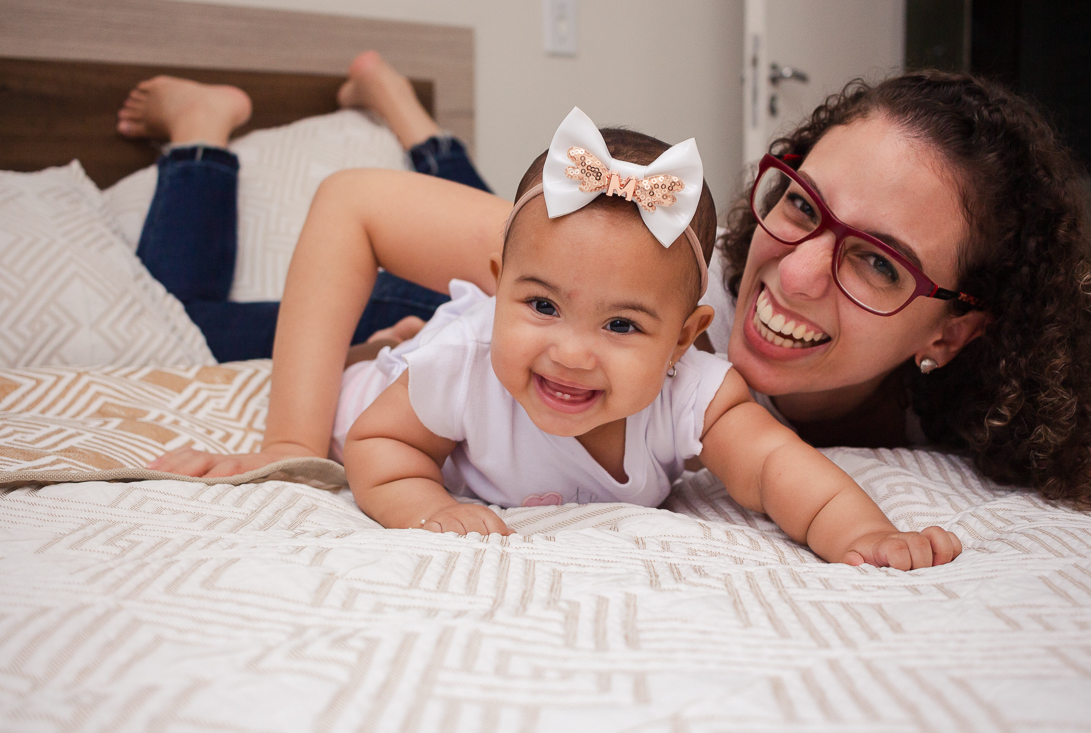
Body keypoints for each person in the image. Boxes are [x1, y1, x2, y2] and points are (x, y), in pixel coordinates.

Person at [146, 67, 1091, 510]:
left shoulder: (956, 423)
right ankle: (201, 139)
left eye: (879, 262)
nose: (794, 271)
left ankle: (412, 117)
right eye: (801, 203)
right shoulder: (610, 258)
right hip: (454, 314)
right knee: (183, 324)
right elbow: (353, 204)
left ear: (956, 334)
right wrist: (289, 445)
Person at [323, 108, 961, 569]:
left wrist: (859, 532)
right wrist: (423, 503)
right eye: (542, 304)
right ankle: (395, 344)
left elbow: (776, 468)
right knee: (373, 384)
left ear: (684, 341)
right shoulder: (465, 367)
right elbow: (379, 440)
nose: (572, 353)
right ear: (498, 291)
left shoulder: (692, 396)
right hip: (385, 389)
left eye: (621, 325)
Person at [116, 51, 488, 362]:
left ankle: (400, 104)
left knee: (511, 236)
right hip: (461, 309)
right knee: (175, 322)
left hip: (477, 291)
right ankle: (199, 126)